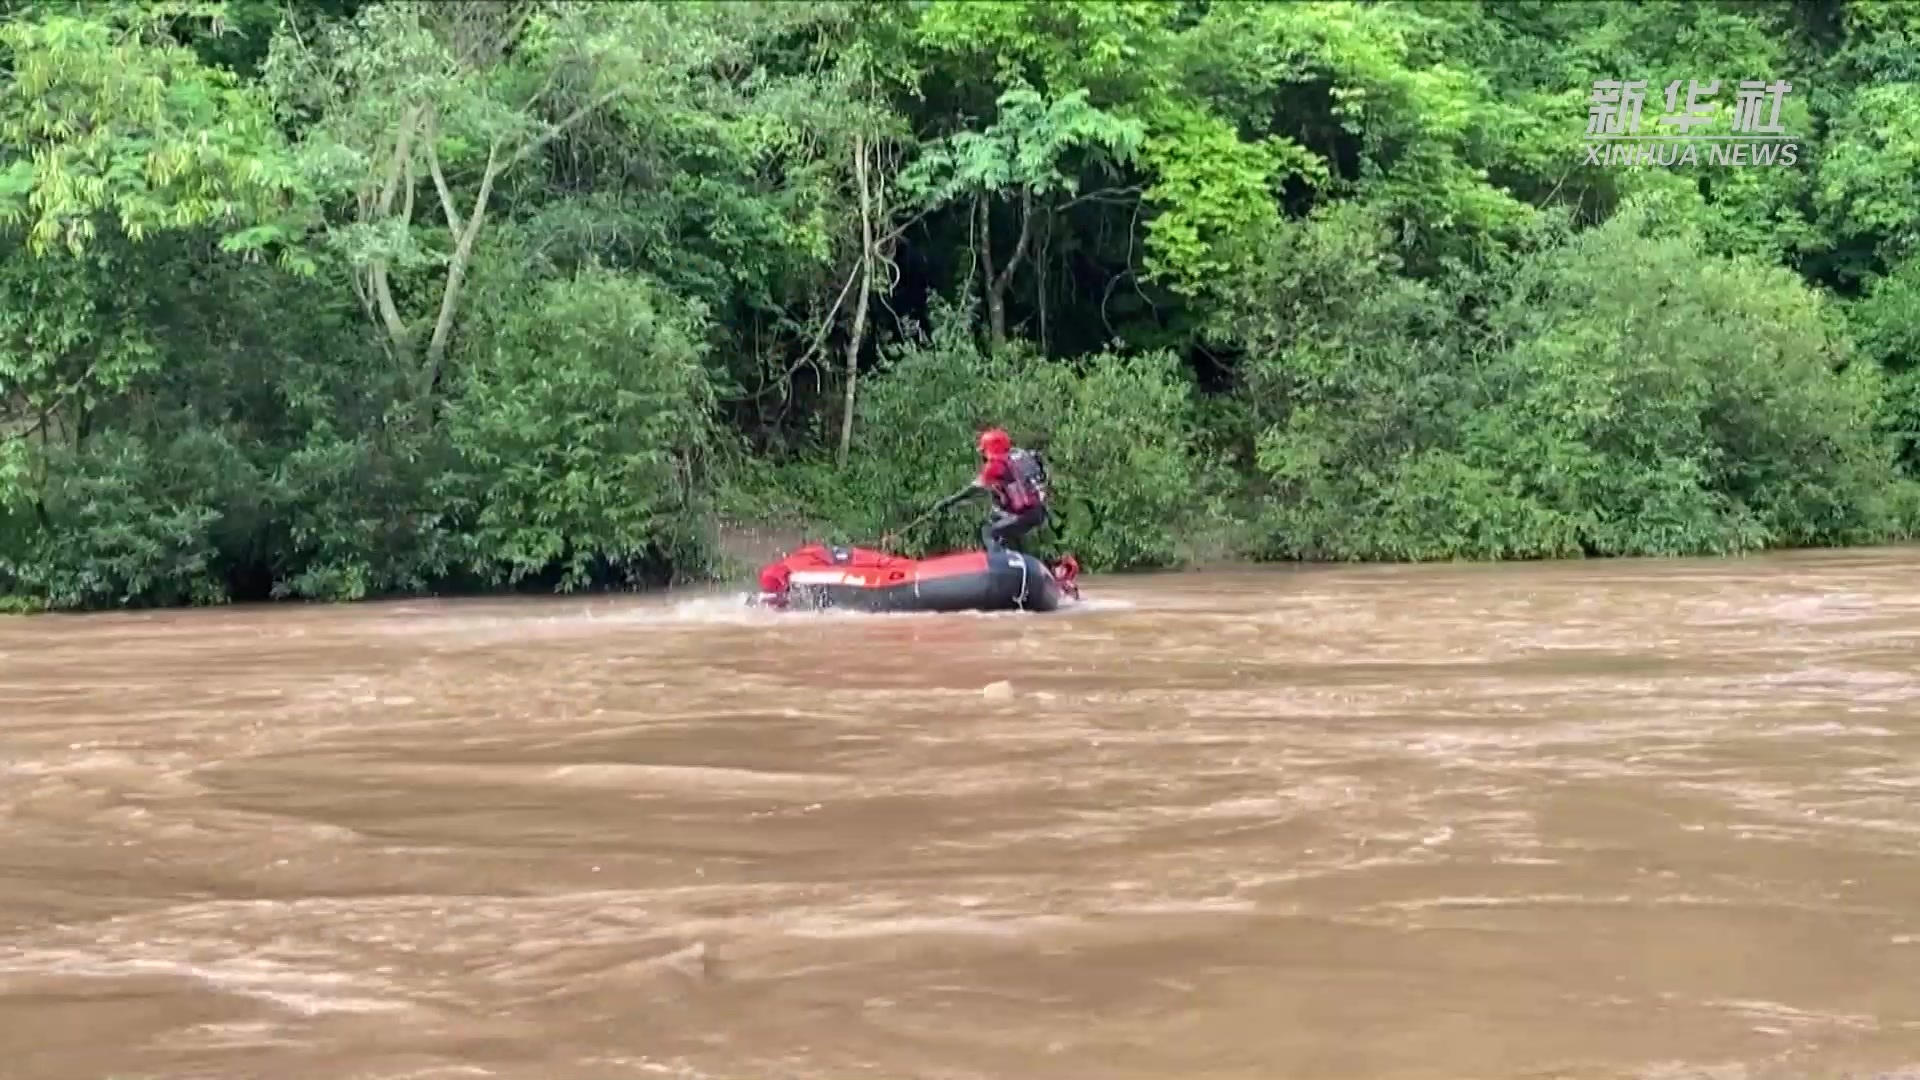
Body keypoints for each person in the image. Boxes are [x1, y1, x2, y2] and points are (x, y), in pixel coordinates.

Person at [888, 427, 1052, 553]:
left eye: (984, 451)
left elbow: (972, 490)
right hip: (1039, 512)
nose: (983, 455)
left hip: (1025, 514)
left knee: (988, 531)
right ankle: (1020, 558)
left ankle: (998, 567)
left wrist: (948, 502)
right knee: (997, 519)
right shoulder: (1020, 455)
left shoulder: (995, 466)